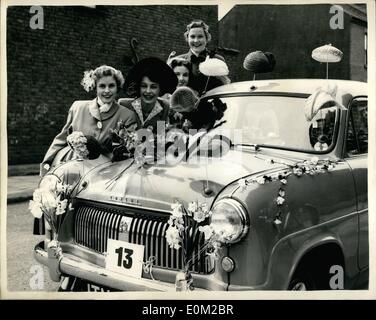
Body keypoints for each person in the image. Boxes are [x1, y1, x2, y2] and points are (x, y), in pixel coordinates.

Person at [40, 65, 137, 175]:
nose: (107, 90)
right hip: (75, 171)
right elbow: (62, 138)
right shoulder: (78, 108)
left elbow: (129, 151)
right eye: (102, 86)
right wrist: (47, 163)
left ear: (117, 87)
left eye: (111, 86)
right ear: (95, 87)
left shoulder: (127, 115)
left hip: (107, 174)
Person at [170, 20, 230, 95]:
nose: (196, 40)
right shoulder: (178, 61)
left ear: (207, 38)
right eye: (192, 37)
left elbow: (224, 87)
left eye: (200, 36)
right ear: (187, 38)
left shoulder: (217, 59)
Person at [119, 57, 178, 133]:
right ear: (138, 88)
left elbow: (160, 139)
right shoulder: (124, 105)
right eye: (144, 86)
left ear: (160, 89)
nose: (148, 91)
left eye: (153, 87)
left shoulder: (164, 107)